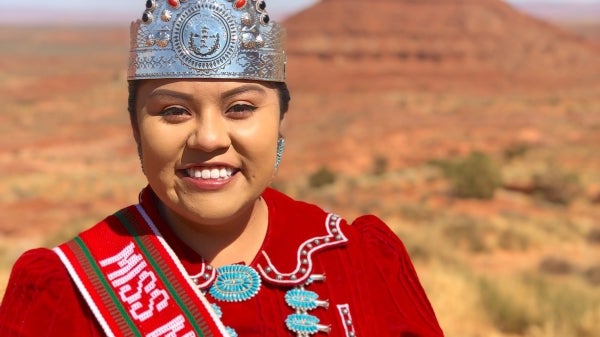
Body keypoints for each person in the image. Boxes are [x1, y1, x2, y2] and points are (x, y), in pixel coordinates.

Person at [0, 0, 444, 336]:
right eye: (173, 111)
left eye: (240, 108)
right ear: (136, 129)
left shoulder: (361, 263)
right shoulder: (66, 292)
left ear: (280, 119)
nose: (208, 139)